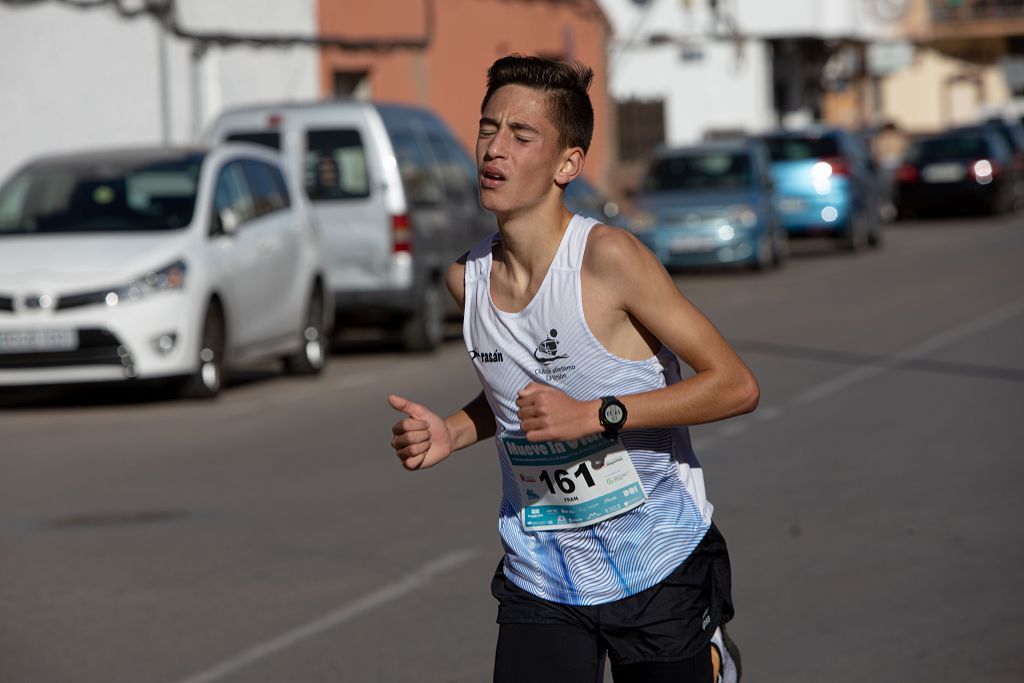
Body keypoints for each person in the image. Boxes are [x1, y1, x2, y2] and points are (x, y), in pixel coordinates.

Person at [388, 55, 756, 683]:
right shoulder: (466, 281)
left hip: (657, 562)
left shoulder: (608, 260)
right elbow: (511, 401)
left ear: (568, 164)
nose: (494, 150)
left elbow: (735, 385)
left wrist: (595, 416)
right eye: (487, 128)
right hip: (543, 571)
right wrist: (452, 430)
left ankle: (711, 657)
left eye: (520, 136)